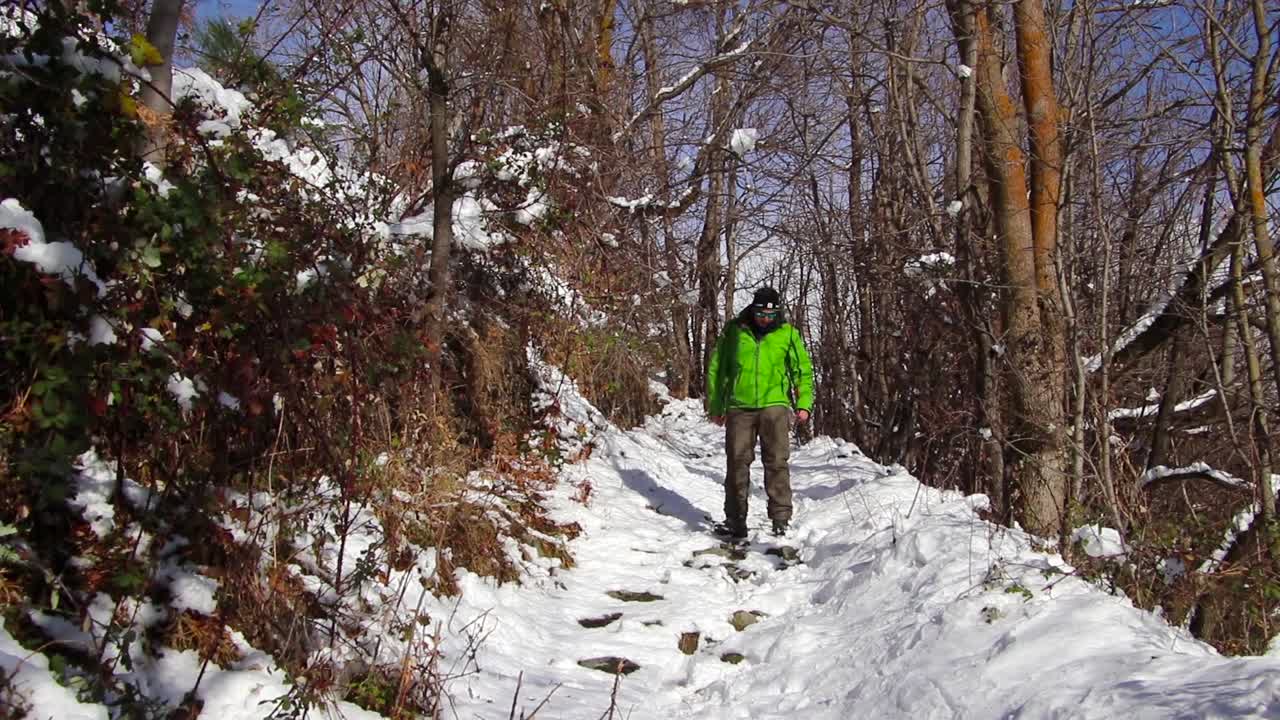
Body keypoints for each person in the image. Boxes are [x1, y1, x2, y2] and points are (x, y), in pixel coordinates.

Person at [706, 286, 814, 538]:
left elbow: (802, 371)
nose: (765, 319)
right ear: (752, 310)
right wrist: (716, 405)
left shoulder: (787, 334)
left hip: (774, 406)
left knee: (776, 462)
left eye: (770, 315)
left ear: (778, 313)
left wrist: (804, 403)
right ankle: (735, 520)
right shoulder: (734, 331)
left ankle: (780, 518)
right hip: (739, 406)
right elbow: (717, 368)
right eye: (760, 314)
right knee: (736, 463)